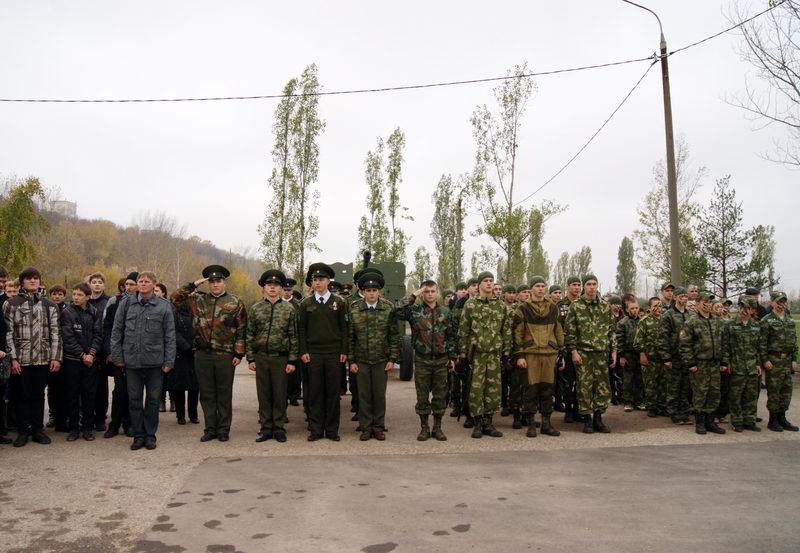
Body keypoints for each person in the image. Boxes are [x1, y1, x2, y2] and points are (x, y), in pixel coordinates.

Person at [174, 265, 247, 443]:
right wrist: (193, 284)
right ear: (208, 284)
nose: (215, 285)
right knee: (206, 393)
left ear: (224, 283)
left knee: (223, 393)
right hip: (202, 354)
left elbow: (242, 330)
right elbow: (174, 298)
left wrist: (238, 354)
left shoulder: (235, 302)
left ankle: (223, 429)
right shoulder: (197, 300)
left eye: (218, 281)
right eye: (212, 282)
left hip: (225, 355)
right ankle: (210, 428)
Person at [110, 272, 176, 450]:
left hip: (155, 363)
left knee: (153, 400)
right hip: (132, 362)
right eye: (141, 281)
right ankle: (138, 435)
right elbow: (116, 332)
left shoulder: (164, 306)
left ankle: (150, 435)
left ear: (154, 284)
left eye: (147, 281)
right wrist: (117, 356)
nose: (143, 284)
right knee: (134, 400)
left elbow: (170, 336)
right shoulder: (126, 304)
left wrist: (169, 361)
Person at [3, 267, 62, 447]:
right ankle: (23, 431)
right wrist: (12, 358)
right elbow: (7, 333)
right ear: (22, 282)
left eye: (36, 278)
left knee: (38, 395)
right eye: (29, 278)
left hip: (43, 359)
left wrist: (55, 357)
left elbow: (55, 333)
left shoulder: (49, 305)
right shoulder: (11, 304)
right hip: (21, 359)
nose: (33, 281)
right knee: (21, 395)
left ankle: (38, 430)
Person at [397, 279, 456, 441]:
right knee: (422, 396)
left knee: (439, 396)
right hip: (422, 360)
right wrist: (413, 295)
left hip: (441, 360)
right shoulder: (415, 311)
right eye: (426, 291)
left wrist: (452, 357)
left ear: (437, 293)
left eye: (432, 291)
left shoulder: (445, 312)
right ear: (422, 293)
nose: (430, 294)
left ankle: (437, 428)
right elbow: (397, 310)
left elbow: (450, 336)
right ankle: (424, 428)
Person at [458, 271, 512, 439]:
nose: (489, 284)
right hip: (477, 354)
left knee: (493, 390)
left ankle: (489, 422)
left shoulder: (500, 305)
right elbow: (464, 329)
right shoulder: (471, 304)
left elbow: (506, 329)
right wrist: (462, 352)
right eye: (486, 281)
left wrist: (506, 350)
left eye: (491, 281)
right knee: (476, 389)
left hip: (494, 354)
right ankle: (478, 423)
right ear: (479, 284)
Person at [298, 262, 348, 441]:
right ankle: (316, 429)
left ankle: (332, 430)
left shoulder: (339, 302)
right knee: (315, 393)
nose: (318, 283)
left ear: (328, 281)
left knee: (333, 392)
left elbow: (344, 329)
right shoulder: (306, 304)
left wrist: (344, 350)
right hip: (313, 354)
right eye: (315, 280)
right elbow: (301, 330)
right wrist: (303, 351)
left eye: (321, 279)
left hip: (334, 353)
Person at [247, 270, 298, 443]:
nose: (272, 288)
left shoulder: (288, 309)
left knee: (279, 393)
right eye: (269, 285)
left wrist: (292, 360)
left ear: (281, 288)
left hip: (280, 358)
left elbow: (293, 336)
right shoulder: (255, 308)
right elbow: (249, 335)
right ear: (264, 288)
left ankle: (279, 428)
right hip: (261, 357)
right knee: (264, 394)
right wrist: (251, 358)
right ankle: (266, 428)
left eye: (276, 286)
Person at [348, 271, 399, 441]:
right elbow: (350, 337)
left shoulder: (388, 308)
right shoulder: (355, 308)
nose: (371, 293)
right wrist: (351, 360)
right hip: (361, 360)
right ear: (362, 291)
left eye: (374, 290)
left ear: (379, 292)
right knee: (363, 395)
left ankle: (378, 426)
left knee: (378, 395)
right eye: (368, 290)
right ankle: (365, 427)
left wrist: (392, 359)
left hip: (381, 360)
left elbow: (393, 335)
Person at [512, 276, 563, 438]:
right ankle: (531, 424)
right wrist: (519, 355)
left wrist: (561, 353)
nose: (541, 289)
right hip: (531, 354)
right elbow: (517, 334)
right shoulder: (522, 309)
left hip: (549, 354)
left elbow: (559, 331)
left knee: (548, 389)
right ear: (531, 289)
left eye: (543, 286)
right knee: (530, 389)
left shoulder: (553, 308)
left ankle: (546, 424)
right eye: (537, 286)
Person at [564, 274, 617, 434]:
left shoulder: (605, 306)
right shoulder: (576, 306)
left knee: (602, 386)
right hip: (583, 353)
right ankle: (587, 419)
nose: (592, 287)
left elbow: (612, 331)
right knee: (584, 386)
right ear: (584, 287)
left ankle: (598, 419)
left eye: (594, 283)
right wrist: (573, 351)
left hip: (601, 353)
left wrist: (614, 351)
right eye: (588, 284)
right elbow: (569, 332)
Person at [679, 291, 727, 435]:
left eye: (710, 302)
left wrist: (724, 361)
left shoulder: (716, 321)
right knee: (700, 393)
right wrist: (690, 363)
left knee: (714, 393)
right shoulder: (691, 322)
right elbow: (684, 345)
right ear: (698, 303)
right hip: (699, 364)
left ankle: (710, 422)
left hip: (714, 364)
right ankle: (700, 422)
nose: (708, 304)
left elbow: (724, 342)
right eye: (705, 301)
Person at [60, 282, 103, 441]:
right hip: (73, 361)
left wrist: (91, 354)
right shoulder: (67, 312)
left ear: (88, 296)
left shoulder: (95, 312)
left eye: (80, 295)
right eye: (74, 294)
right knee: (72, 394)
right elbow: (68, 337)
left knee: (89, 394)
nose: (76, 297)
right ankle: (73, 428)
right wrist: (82, 355)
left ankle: (87, 428)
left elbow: (98, 334)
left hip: (91, 361)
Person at [102, 275, 136, 438]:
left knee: (132, 391)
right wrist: (109, 351)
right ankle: (114, 424)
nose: (128, 287)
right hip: (118, 353)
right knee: (119, 389)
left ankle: (129, 423)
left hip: (136, 355)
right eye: (126, 284)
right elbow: (108, 329)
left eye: (131, 284)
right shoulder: (115, 304)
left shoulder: (140, 305)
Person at [760, 291, 798, 432]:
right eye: (778, 302)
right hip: (774, 360)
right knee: (774, 391)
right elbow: (762, 343)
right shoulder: (766, 320)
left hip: (787, 360)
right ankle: (773, 419)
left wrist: (794, 358)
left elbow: (794, 341)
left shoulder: (789, 320)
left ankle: (783, 418)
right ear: (772, 302)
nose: (781, 304)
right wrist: (765, 360)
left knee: (786, 390)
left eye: (783, 302)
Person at [723, 296, 762, 432]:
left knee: (751, 395)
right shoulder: (731, 324)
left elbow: (758, 347)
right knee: (735, 395)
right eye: (741, 307)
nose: (743, 311)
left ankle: (750, 420)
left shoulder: (756, 325)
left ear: (752, 310)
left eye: (747, 308)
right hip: (737, 366)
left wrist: (758, 364)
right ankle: (737, 421)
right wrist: (727, 362)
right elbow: (726, 345)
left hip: (751, 367)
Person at [167, 290, 199, 425]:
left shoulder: (197, 313)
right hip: (180, 353)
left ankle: (193, 415)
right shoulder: (174, 312)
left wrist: (197, 346)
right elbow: (173, 331)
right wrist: (186, 346)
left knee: (194, 387)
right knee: (179, 387)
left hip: (196, 354)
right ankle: (180, 416)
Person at [661, 287, 692, 425]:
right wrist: (666, 357)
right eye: (681, 296)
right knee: (674, 385)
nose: (684, 298)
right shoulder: (668, 315)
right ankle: (674, 412)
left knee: (685, 385)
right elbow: (662, 338)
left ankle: (684, 412)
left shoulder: (690, 315)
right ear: (675, 298)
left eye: (686, 296)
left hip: (687, 356)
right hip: (674, 356)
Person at [634, 297, 667, 418]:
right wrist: (642, 354)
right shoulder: (644, 321)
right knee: (650, 384)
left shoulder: (665, 320)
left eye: (660, 306)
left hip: (663, 359)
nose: (658, 309)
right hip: (650, 359)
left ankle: (662, 406)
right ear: (650, 308)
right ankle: (652, 407)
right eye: (655, 306)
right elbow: (638, 341)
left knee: (663, 383)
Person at [555, 276, 582, 423]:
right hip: (566, 349)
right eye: (574, 285)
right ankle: (569, 410)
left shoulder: (584, 304)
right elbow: (557, 328)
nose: (577, 287)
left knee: (582, 381)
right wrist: (560, 351)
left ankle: (579, 409)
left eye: (579, 285)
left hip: (582, 349)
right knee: (568, 381)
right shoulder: (560, 305)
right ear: (568, 286)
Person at [87, 272, 111, 433]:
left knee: (102, 386)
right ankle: (87, 416)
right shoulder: (84, 300)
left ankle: (101, 417)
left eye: (99, 282)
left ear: (103, 285)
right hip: (86, 350)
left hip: (102, 350)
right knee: (87, 386)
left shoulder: (109, 302)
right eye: (93, 282)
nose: (96, 285)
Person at [616, 299, 644, 412]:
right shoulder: (622, 323)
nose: (634, 310)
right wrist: (621, 356)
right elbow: (619, 340)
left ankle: (640, 401)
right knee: (628, 379)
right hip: (628, 354)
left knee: (640, 378)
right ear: (627, 310)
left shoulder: (642, 321)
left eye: (636, 308)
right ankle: (628, 401)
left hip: (640, 354)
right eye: (632, 308)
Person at [282, 277, 303, 407]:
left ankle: (294, 396)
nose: (287, 292)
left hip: (296, 342)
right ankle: (283, 396)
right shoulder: (277, 303)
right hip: (282, 343)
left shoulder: (298, 305)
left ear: (292, 291)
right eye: (285, 289)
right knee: (283, 374)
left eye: (289, 290)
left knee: (296, 373)